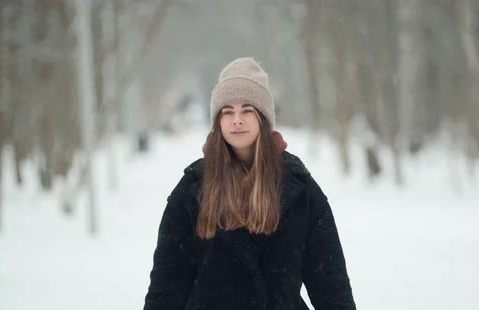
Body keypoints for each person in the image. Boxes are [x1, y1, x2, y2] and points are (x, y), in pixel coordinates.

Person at [143, 57, 356, 310]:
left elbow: (332, 289)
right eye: (227, 111)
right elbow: (166, 289)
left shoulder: (300, 189)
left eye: (247, 110)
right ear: (218, 121)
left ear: (263, 118)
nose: (237, 120)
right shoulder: (191, 190)